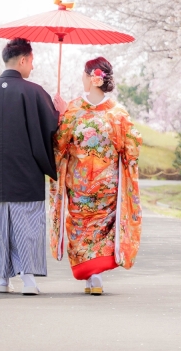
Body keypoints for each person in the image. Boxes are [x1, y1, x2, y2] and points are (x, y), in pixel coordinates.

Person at [0, 38, 67, 295]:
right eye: (31, 61)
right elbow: (52, 128)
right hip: (26, 173)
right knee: (27, 225)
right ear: (22, 60)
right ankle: (28, 279)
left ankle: (2, 279)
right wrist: (61, 111)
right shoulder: (34, 91)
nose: (32, 66)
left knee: (0, 225)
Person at [50, 57, 142, 295]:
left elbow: (59, 144)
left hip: (80, 184)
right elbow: (132, 147)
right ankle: (96, 275)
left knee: (81, 227)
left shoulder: (74, 111)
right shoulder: (118, 114)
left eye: (84, 73)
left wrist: (59, 117)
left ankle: (92, 274)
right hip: (106, 184)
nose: (82, 77)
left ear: (92, 78)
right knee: (101, 229)